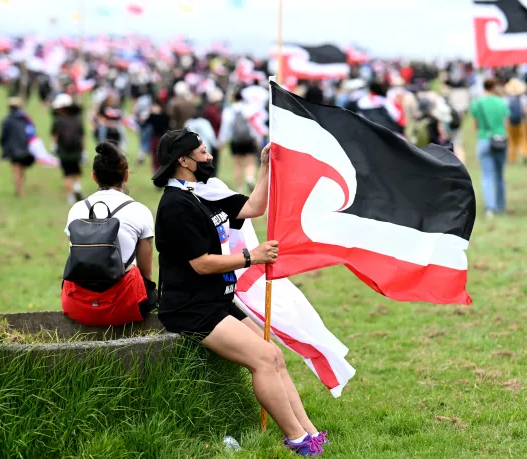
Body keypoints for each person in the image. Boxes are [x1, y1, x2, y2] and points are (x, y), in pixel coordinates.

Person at [151, 129, 327, 456]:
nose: (210, 156)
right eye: (202, 152)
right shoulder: (176, 205)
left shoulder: (204, 192)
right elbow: (201, 264)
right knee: (263, 359)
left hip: (217, 301)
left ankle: (312, 433)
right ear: (184, 161)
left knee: (273, 355)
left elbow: (252, 208)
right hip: (190, 308)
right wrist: (251, 257)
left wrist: (265, 167)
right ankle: (299, 442)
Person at [62, 141, 157, 326]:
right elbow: (146, 273)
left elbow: (77, 261)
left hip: (78, 305)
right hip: (125, 304)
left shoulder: (76, 209)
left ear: (94, 177)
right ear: (126, 175)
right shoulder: (140, 211)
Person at [470, 78, 510, 218]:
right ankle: (500, 205)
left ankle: (490, 207)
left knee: (487, 175)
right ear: (495, 87)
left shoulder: (477, 103)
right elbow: (506, 124)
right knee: (500, 175)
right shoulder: (502, 102)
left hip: (484, 139)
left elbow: (475, 125)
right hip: (500, 140)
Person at [218, 91, 263, 193]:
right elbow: (254, 125)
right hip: (248, 139)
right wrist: (257, 138)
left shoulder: (229, 111)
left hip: (236, 141)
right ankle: (249, 178)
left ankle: (240, 188)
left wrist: (222, 141)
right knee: (250, 162)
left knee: (237, 164)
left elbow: (225, 128)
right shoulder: (249, 109)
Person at [51, 93, 85, 204]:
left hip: (64, 152)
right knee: (76, 171)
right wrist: (84, 151)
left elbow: (55, 135)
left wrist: (54, 146)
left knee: (66, 174)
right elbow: (82, 136)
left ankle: (70, 197)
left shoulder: (58, 120)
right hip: (77, 151)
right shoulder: (77, 119)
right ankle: (77, 188)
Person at [0, 97, 34, 197]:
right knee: (20, 170)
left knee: (16, 170)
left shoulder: (6, 120)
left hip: (13, 150)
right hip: (25, 148)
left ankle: (20, 191)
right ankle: (20, 190)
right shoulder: (26, 119)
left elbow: (3, 136)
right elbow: (31, 133)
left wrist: (4, 147)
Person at [504, 78, 527, 164]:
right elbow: (526, 111)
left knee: (511, 140)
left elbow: (505, 113)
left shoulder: (506, 99)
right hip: (521, 121)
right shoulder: (524, 98)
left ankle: (512, 158)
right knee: (523, 139)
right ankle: (525, 155)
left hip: (510, 122)